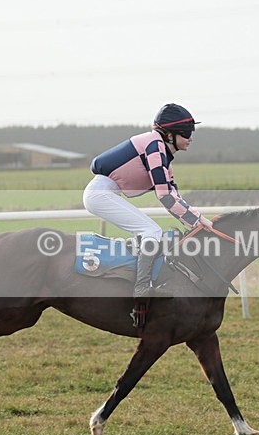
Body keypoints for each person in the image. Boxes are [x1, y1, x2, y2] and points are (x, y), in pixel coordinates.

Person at [83, 103, 213, 298]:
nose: (191, 138)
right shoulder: (155, 147)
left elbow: (173, 194)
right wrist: (197, 220)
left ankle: (132, 274)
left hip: (105, 193)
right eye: (186, 133)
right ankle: (141, 289)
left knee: (149, 232)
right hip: (100, 194)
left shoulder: (163, 154)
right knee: (151, 231)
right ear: (170, 135)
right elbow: (164, 196)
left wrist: (197, 222)